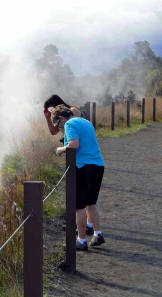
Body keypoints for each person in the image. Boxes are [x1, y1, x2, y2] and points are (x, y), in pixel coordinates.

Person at [52, 105, 105, 251]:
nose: (60, 128)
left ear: (61, 118)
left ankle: (81, 241)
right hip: (98, 165)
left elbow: (74, 145)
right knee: (91, 203)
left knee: (79, 206)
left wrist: (60, 150)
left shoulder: (69, 124)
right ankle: (97, 233)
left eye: (58, 125)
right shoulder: (85, 122)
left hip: (82, 166)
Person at [43, 95, 94, 235]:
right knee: (81, 194)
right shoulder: (57, 117)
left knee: (84, 195)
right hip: (75, 155)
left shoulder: (73, 110)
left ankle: (87, 225)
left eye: (50, 107)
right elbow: (54, 131)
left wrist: (57, 112)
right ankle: (83, 224)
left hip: (82, 153)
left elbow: (73, 121)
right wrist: (48, 116)